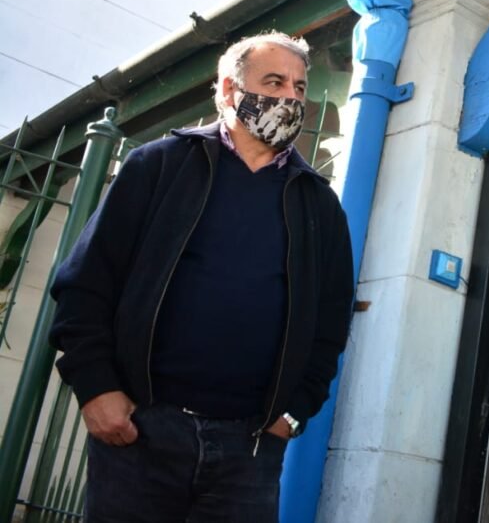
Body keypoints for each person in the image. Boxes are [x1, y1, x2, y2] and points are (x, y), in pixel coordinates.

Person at [49, 31, 355, 522]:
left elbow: (331, 322)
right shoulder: (158, 166)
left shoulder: (319, 205)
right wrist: (97, 388)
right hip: (141, 431)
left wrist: (293, 412)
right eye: (274, 82)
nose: (290, 98)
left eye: (299, 87)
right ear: (229, 90)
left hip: (250, 449)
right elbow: (87, 284)